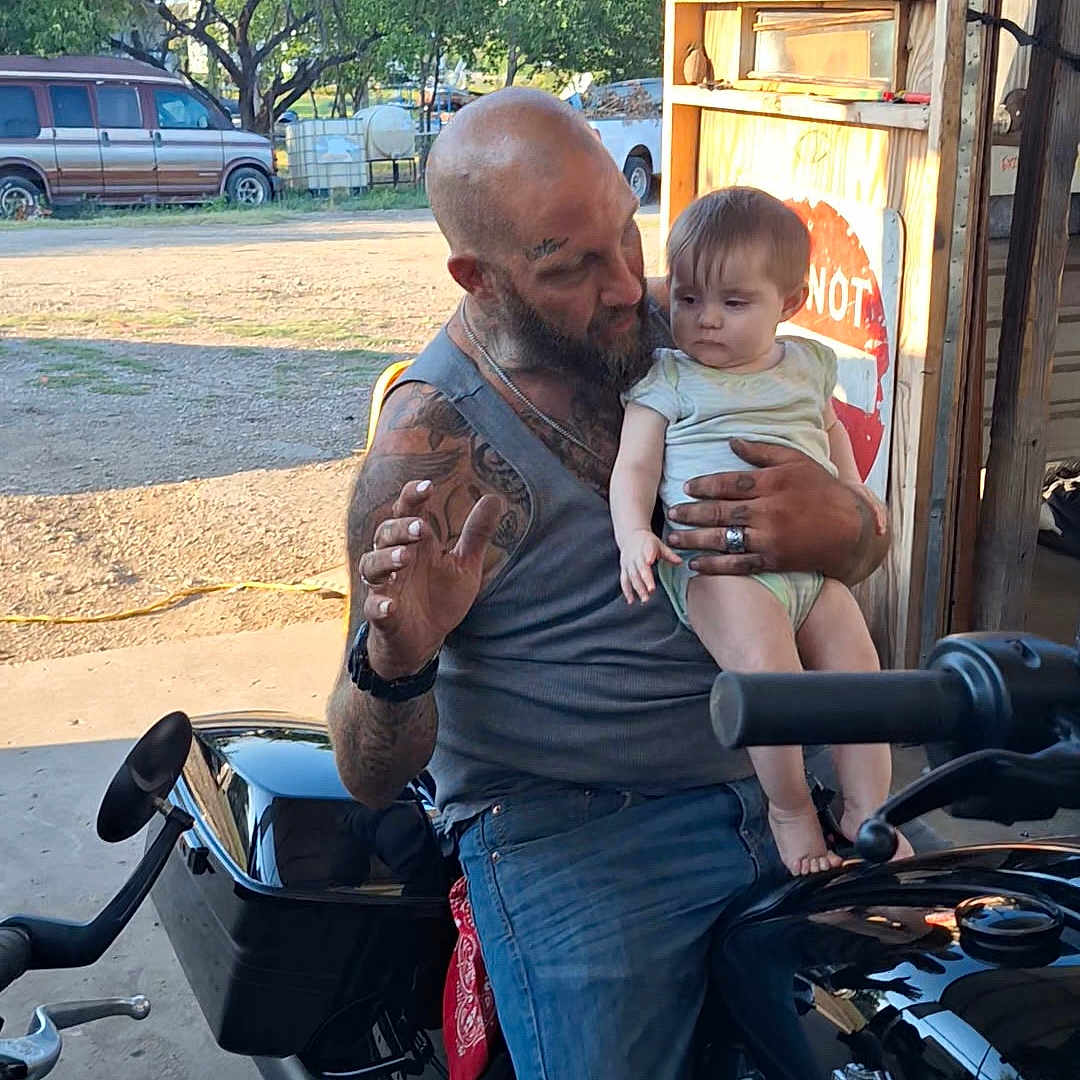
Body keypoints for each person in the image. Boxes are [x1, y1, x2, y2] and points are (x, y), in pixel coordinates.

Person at [326, 88, 890, 1080]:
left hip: (800, 768)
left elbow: (866, 547)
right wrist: (399, 658)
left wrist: (841, 526)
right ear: (480, 277)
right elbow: (368, 771)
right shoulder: (432, 447)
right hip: (583, 827)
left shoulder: (699, 318)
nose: (632, 285)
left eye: (627, 238)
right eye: (572, 266)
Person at [611, 188, 914, 876]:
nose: (707, 321)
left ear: (792, 302)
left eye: (734, 303)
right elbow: (635, 465)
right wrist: (634, 532)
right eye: (687, 301)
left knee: (860, 674)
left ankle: (866, 810)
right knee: (769, 680)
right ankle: (789, 809)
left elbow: (831, 430)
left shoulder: (808, 365)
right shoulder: (670, 379)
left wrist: (853, 490)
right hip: (717, 571)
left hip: (812, 568)